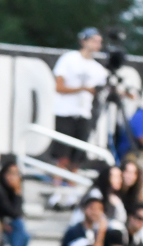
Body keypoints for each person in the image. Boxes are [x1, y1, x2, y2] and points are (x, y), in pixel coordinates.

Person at [51, 27, 107, 168]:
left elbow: (105, 88)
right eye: (94, 41)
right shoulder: (69, 59)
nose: (97, 45)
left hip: (84, 113)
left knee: (78, 155)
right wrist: (83, 89)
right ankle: (58, 182)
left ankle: (71, 182)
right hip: (65, 111)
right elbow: (59, 87)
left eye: (99, 42)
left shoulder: (98, 68)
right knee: (62, 153)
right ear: (84, 41)